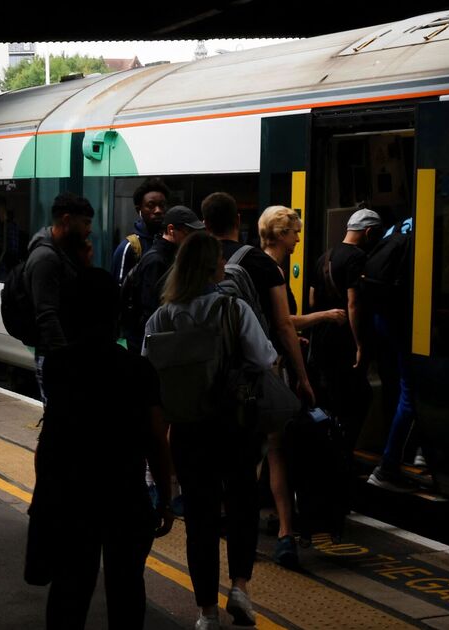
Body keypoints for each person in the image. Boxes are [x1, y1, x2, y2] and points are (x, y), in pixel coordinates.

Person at [143, 231, 277, 630]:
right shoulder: (234, 310)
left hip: (187, 432)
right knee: (241, 507)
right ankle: (239, 586)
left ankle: (206, 613)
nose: (224, 264)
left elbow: (151, 376)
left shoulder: (161, 316)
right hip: (234, 427)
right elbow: (264, 357)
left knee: (199, 520)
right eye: (219, 259)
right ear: (209, 267)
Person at [36, 267, 175, 629]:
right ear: (116, 313)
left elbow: (49, 441)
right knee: (127, 588)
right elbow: (156, 440)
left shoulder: (58, 366)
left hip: (72, 496)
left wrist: (44, 497)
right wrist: (165, 494)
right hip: (125, 495)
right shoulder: (138, 369)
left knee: (70, 588)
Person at [256, 205, 348, 568]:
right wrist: (324, 316)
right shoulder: (271, 269)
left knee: (264, 449)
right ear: (280, 234)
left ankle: (271, 522)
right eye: (294, 231)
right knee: (276, 448)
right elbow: (284, 322)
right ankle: (285, 531)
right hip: (275, 371)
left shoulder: (253, 264)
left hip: (262, 365)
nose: (297, 237)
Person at [309, 209, 382, 449]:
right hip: (343, 341)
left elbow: (311, 300)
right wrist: (360, 345)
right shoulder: (357, 257)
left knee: (331, 397)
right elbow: (354, 302)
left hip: (321, 337)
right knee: (358, 398)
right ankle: (341, 450)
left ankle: (329, 446)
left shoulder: (324, 256)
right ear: (369, 232)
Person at [365, 217, 422, 493]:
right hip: (405, 321)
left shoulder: (397, 225)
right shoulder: (432, 225)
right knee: (412, 394)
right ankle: (388, 466)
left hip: (382, 317)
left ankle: (411, 451)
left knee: (396, 385)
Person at [23, 193, 94, 400]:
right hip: (55, 357)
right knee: (61, 418)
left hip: (65, 353)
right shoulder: (45, 258)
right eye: (86, 223)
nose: (89, 229)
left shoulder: (65, 253)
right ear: (66, 220)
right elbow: (47, 314)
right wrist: (67, 360)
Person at [124, 205, 204, 353]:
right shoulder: (157, 261)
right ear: (171, 230)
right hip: (151, 344)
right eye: (188, 232)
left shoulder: (168, 257)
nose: (192, 238)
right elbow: (151, 309)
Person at [112, 178, 170, 284]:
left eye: (162, 205)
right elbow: (119, 289)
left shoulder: (169, 242)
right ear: (139, 210)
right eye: (151, 205)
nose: (158, 211)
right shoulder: (129, 247)